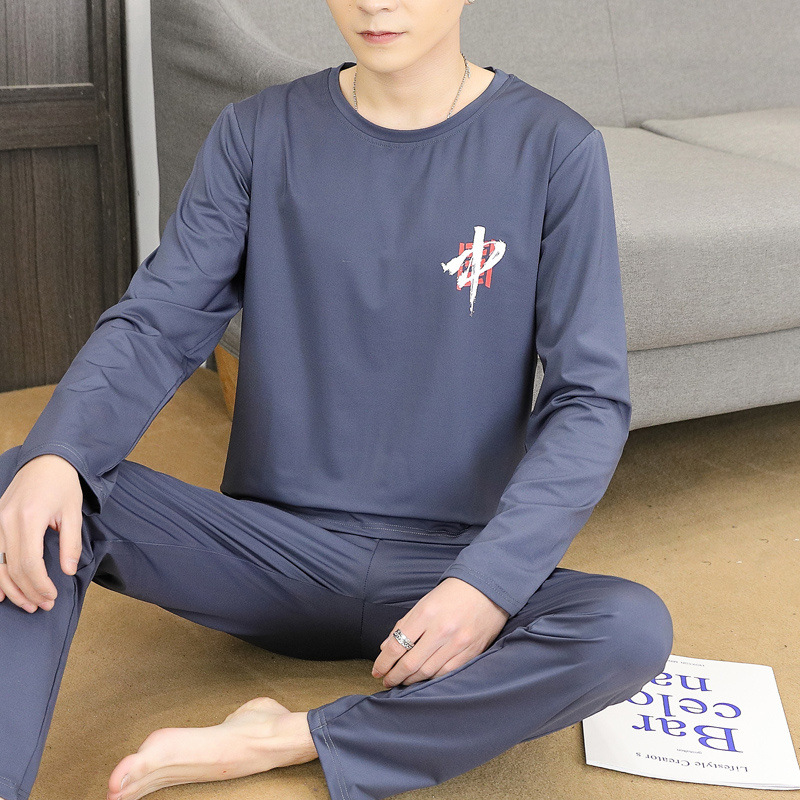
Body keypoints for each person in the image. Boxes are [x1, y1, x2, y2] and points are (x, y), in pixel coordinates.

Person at [0, 1, 675, 799]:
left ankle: (288, 738)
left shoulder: (555, 147)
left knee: (628, 628)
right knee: (28, 484)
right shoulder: (257, 132)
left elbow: (589, 398)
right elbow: (158, 323)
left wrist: (489, 584)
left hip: (443, 574)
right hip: (266, 557)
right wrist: (61, 452)